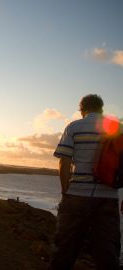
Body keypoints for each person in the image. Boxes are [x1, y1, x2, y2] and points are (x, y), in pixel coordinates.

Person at [49, 94, 120, 269]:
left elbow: (64, 161)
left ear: (82, 109)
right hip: (108, 197)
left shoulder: (74, 127)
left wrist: (65, 191)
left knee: (65, 249)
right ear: (101, 109)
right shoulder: (119, 129)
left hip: (76, 195)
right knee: (107, 252)